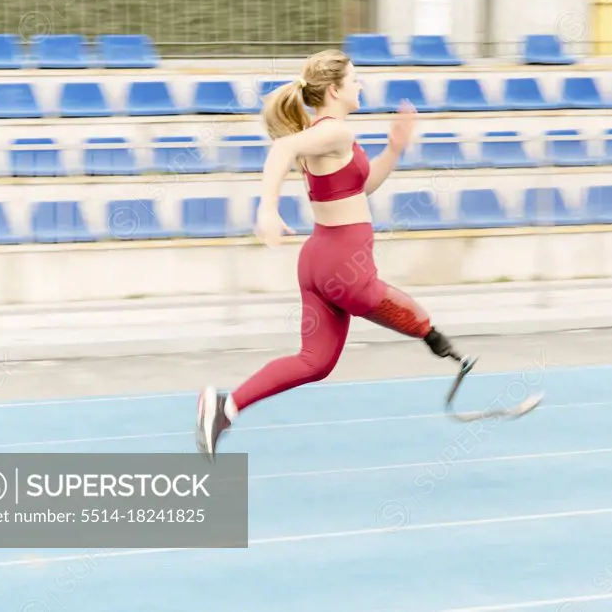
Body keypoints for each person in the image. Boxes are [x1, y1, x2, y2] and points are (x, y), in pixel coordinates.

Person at [196, 49, 474, 460]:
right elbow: (281, 150)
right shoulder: (333, 133)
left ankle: (225, 407)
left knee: (315, 361)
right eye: (355, 79)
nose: (360, 85)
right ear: (334, 89)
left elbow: (362, 188)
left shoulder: (332, 136)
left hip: (319, 260)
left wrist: (394, 150)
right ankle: (438, 340)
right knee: (382, 303)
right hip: (344, 266)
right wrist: (267, 209)